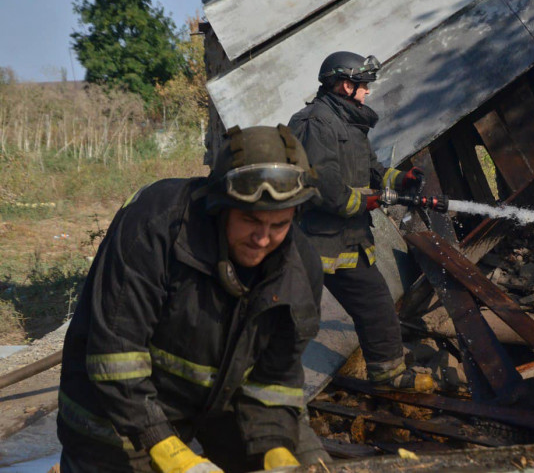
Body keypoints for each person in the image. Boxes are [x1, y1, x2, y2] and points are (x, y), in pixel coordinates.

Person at [57, 125, 329, 472]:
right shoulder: (157, 227)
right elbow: (116, 357)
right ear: (220, 207)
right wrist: (171, 453)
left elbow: (274, 382)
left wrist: (274, 447)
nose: (263, 239)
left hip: (200, 409)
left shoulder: (300, 269)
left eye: (279, 224)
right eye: (250, 220)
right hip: (108, 419)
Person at [288, 51, 435, 393]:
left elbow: (374, 171)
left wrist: (403, 180)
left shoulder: (350, 125)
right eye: (363, 85)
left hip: (348, 237)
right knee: (296, 313)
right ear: (344, 85)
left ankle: (386, 372)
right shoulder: (315, 124)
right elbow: (322, 186)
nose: (368, 92)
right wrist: (363, 200)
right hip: (316, 240)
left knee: (374, 302)